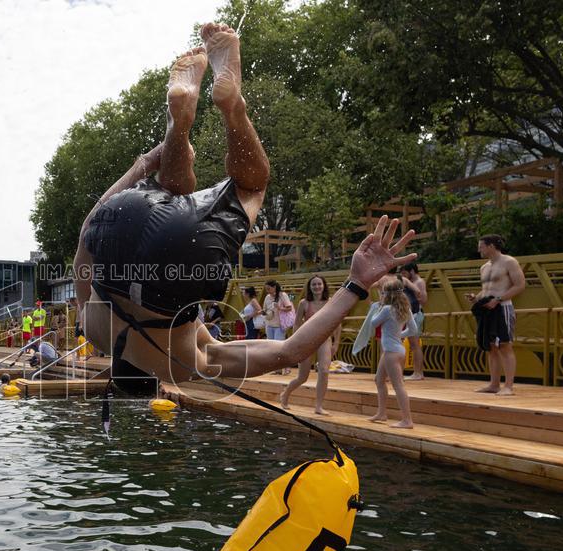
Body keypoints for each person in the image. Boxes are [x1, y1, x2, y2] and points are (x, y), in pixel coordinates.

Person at [72, 22, 416, 395]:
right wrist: (144, 163)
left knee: (252, 186)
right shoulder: (92, 328)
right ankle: (176, 128)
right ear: (113, 369)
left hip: (179, 256)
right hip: (119, 223)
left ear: (155, 384)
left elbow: (288, 352)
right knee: (173, 189)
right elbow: (86, 236)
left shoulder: (183, 367)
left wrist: (357, 283)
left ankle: (233, 106)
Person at [465, 235, 526, 396]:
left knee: (505, 345)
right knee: (490, 346)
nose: (479, 249)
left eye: (481, 246)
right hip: (487, 308)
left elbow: (520, 285)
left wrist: (498, 299)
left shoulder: (509, 262)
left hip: (502, 307)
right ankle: (494, 384)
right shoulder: (484, 267)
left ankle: (508, 386)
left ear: (491, 246)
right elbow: (487, 289)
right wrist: (476, 297)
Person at [279, 276, 340, 415]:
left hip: (324, 340)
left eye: (319, 284)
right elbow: (296, 323)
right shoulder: (304, 303)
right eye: (314, 284)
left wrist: (336, 342)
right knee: (302, 377)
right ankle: (286, 393)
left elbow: (337, 323)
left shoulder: (330, 302)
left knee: (324, 371)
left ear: (324, 286)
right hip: (307, 340)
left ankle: (319, 406)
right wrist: (295, 341)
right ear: (310, 287)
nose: (317, 287)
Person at [368, 276, 419, 428]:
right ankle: (382, 413)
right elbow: (413, 330)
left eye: (382, 293)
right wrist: (399, 335)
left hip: (391, 352)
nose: (381, 295)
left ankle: (407, 420)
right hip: (397, 349)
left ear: (387, 295)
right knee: (379, 380)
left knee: (398, 385)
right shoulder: (405, 309)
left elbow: (373, 323)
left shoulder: (386, 309)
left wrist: (376, 307)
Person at [401, 262, 427, 380]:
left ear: (411, 271)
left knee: (415, 344)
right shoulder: (410, 282)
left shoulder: (419, 282)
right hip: (411, 314)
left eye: (405, 273)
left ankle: (418, 373)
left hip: (416, 314)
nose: (404, 276)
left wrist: (412, 299)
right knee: (413, 344)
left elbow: (424, 300)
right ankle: (417, 372)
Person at [262, 280, 294, 374]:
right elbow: (265, 309)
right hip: (269, 324)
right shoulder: (267, 297)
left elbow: (289, 308)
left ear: (274, 287)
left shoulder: (282, 295)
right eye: (266, 289)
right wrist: (263, 312)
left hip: (279, 325)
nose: (267, 291)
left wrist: (279, 308)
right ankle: (277, 369)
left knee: (279, 348)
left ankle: (286, 366)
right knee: (271, 349)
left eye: (269, 288)